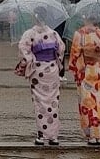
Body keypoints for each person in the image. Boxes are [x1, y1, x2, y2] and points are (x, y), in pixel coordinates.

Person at [18, 9, 65, 146]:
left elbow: (24, 51)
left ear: (34, 18)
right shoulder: (53, 33)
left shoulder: (30, 34)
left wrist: (28, 61)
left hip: (38, 71)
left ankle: (41, 135)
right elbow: (60, 50)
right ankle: (53, 136)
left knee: (40, 103)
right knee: (53, 102)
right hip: (52, 70)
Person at [68, 15, 100, 146]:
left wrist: (76, 70)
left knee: (88, 103)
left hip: (86, 70)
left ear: (84, 18)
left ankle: (92, 135)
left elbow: (75, 54)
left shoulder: (79, 34)